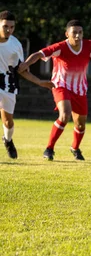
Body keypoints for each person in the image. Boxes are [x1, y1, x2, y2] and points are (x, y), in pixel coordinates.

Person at [18, 19, 91, 161]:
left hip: (80, 89)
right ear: (67, 34)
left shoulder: (89, 46)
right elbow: (38, 54)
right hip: (60, 86)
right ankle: (49, 148)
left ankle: (75, 148)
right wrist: (26, 64)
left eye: (80, 32)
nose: (78, 36)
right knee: (65, 115)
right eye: (74, 33)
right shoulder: (60, 47)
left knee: (80, 123)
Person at [0, 10, 54, 159]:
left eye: (11, 27)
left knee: (8, 121)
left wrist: (40, 82)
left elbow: (22, 70)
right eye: (5, 26)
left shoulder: (15, 45)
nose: (9, 30)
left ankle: (8, 140)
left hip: (8, 85)